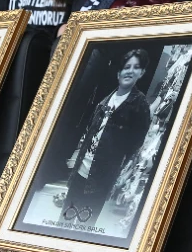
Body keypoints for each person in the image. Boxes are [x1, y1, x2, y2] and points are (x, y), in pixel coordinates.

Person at [61, 48, 153, 229]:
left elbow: (136, 143)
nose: (129, 71)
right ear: (119, 71)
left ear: (141, 73)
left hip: (100, 179)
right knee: (64, 221)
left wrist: (113, 161)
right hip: (81, 171)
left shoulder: (139, 105)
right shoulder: (105, 100)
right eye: (126, 66)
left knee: (83, 227)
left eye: (135, 67)